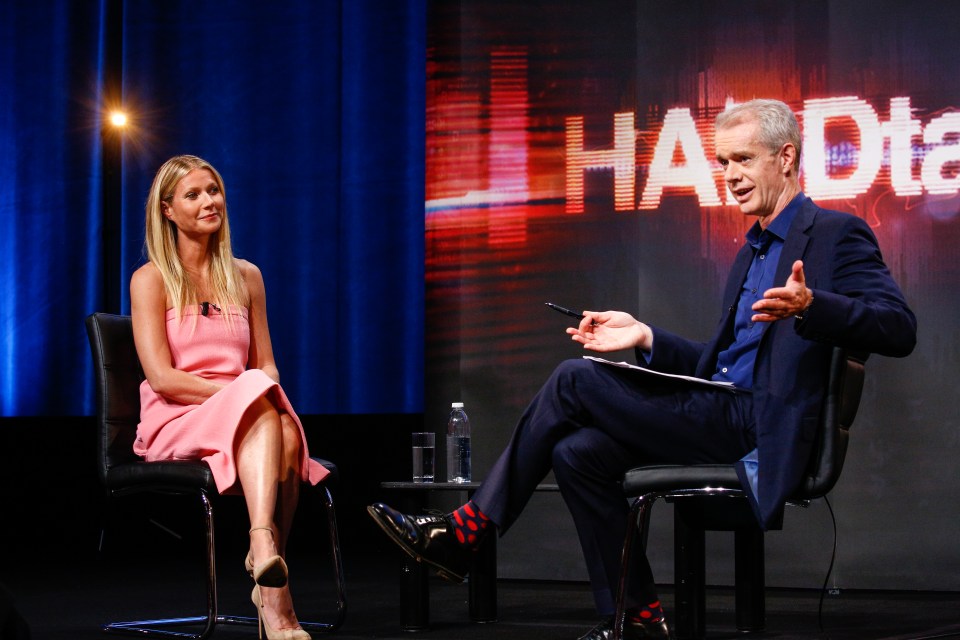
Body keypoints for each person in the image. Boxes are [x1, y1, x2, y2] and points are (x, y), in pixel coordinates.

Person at [368, 99, 917, 640]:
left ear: (787, 157)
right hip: (721, 410)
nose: (730, 175)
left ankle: (467, 531)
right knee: (576, 452)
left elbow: (899, 328)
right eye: (723, 162)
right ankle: (638, 617)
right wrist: (645, 337)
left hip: (761, 427)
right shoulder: (751, 251)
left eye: (743, 160)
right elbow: (721, 365)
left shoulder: (834, 235)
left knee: (573, 378)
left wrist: (812, 306)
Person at [131, 155, 328, 640]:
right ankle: (267, 557)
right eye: (193, 195)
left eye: (213, 190)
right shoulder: (150, 279)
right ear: (168, 210)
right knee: (263, 405)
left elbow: (266, 364)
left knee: (278, 423)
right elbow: (161, 378)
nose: (208, 202)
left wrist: (249, 392)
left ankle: (269, 578)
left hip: (245, 414)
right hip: (179, 416)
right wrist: (237, 393)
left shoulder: (246, 276)